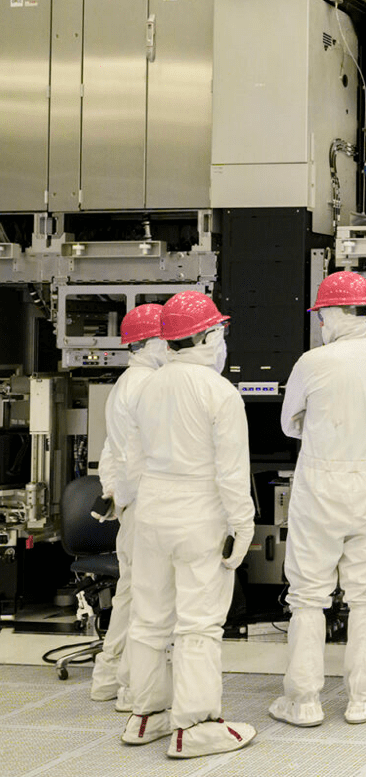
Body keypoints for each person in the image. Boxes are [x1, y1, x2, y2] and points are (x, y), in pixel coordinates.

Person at [120, 291, 256, 758]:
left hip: (151, 512)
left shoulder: (148, 386)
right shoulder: (219, 392)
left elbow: (133, 461)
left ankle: (146, 716)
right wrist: (243, 525)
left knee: (149, 618)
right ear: (205, 337)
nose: (222, 340)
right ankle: (194, 727)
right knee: (199, 623)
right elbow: (232, 473)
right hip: (200, 515)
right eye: (219, 331)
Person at [270, 272, 366, 728]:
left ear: (330, 313)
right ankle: (365, 697)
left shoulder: (312, 362)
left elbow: (289, 424)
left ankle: (303, 701)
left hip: (320, 485)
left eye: (322, 316)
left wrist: (319, 427)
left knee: (308, 595)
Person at [90, 304, 169, 711]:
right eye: (167, 339)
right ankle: (130, 685)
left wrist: (114, 494)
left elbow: (111, 451)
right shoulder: (149, 386)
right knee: (146, 597)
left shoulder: (126, 383)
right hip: (146, 503)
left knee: (130, 593)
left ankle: (108, 676)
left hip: (132, 503)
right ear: (149, 343)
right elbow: (139, 456)